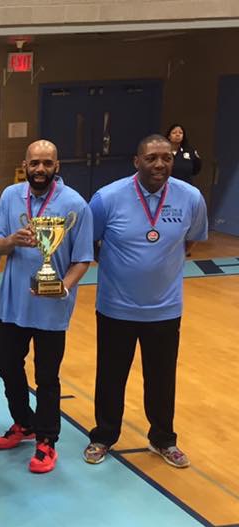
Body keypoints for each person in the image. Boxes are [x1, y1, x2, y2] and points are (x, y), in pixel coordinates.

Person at [83, 134, 207, 468]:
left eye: (166, 158)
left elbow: (191, 241)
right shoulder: (107, 198)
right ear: (137, 161)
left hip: (165, 310)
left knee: (162, 379)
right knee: (110, 376)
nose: (160, 165)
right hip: (116, 308)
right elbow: (89, 242)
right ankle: (103, 436)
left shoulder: (190, 197)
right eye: (151, 158)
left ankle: (163, 439)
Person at [0, 140, 94, 473]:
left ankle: (47, 440)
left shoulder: (75, 203)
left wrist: (62, 285)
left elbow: (83, 258)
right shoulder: (9, 196)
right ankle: (24, 423)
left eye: (47, 163)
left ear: (56, 166)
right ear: (25, 164)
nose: (40, 169)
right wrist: (11, 242)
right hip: (13, 305)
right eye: (34, 163)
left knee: (47, 377)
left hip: (51, 309)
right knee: (7, 366)